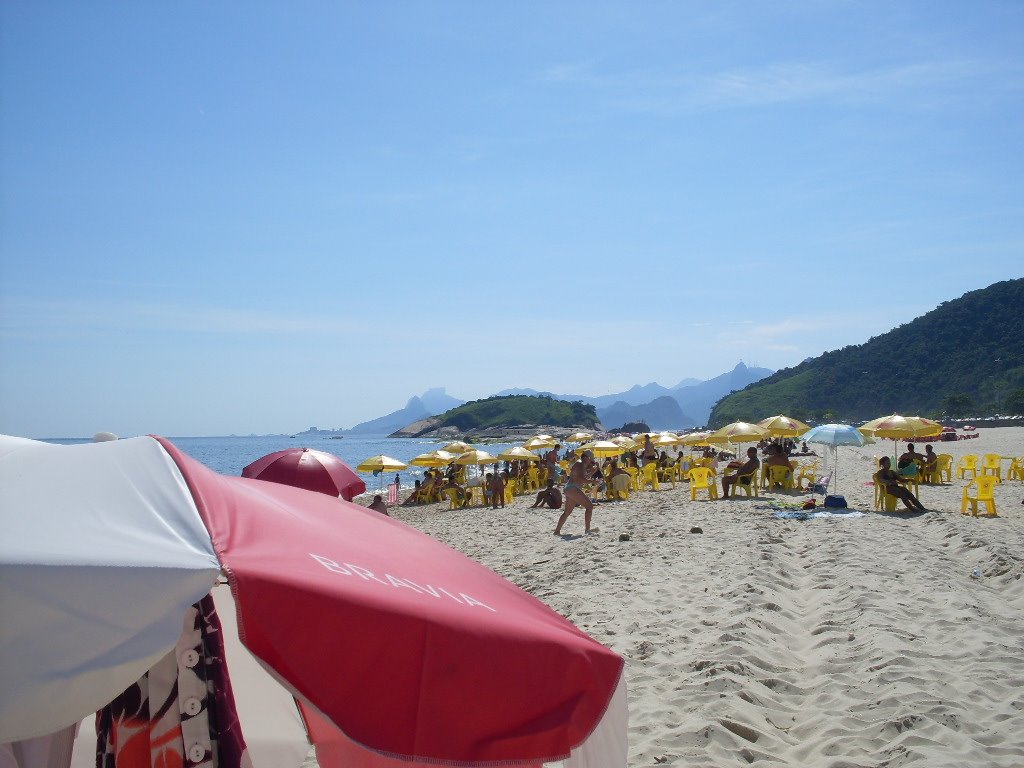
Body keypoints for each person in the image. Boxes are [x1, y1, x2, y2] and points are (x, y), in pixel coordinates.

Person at [554, 450, 597, 535]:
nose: (590, 462)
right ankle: (587, 530)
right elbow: (582, 480)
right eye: (590, 460)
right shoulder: (580, 464)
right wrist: (593, 482)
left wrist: (592, 472)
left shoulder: (580, 464)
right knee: (589, 507)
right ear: (586, 458)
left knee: (567, 512)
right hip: (573, 488)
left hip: (570, 488)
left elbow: (581, 477)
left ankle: (557, 531)